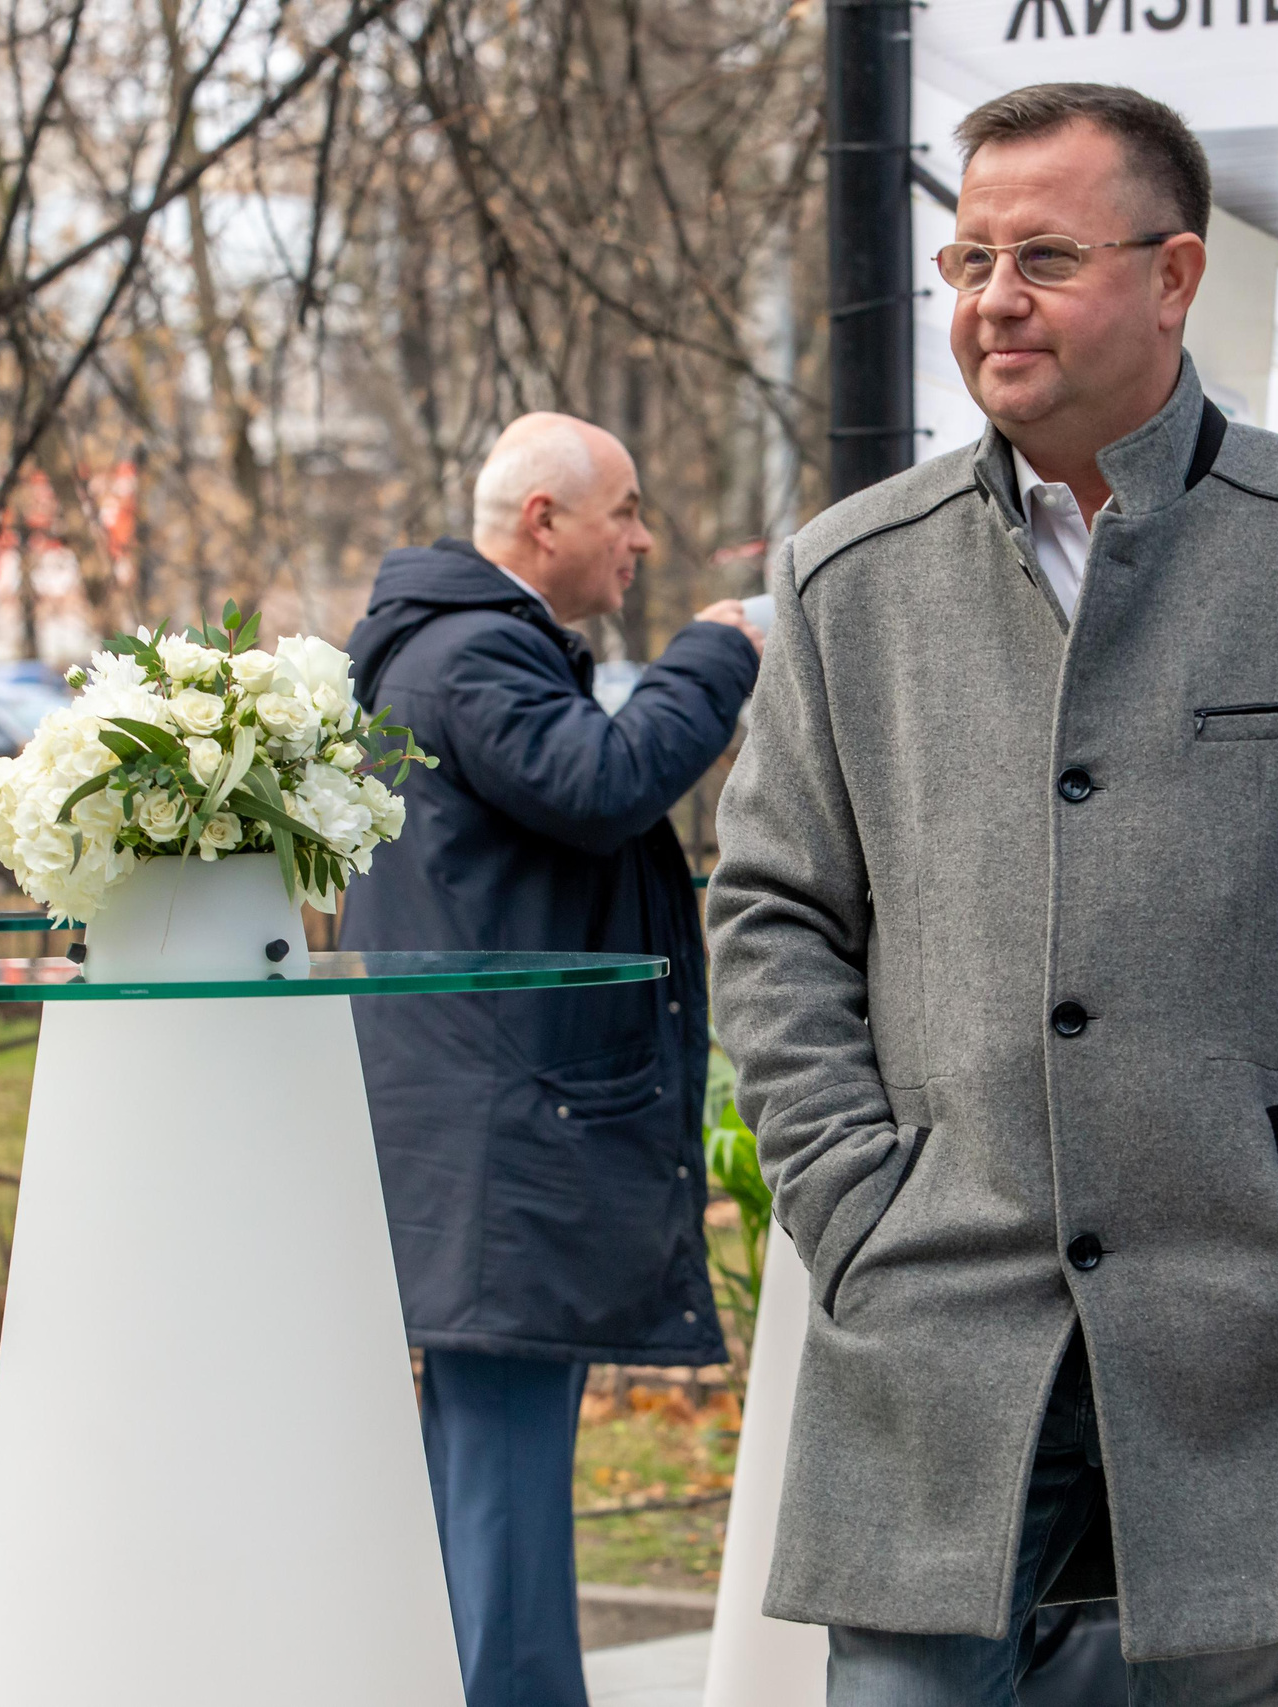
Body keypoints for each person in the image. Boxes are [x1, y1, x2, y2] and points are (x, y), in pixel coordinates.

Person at [707, 83, 1278, 1705]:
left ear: (1175, 277)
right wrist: (850, 1199)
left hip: (1253, 1332)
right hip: (934, 1327)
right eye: (965, 260)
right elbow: (772, 911)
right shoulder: (844, 576)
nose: (990, 300)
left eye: (1041, 254)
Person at [339, 412, 762, 1707]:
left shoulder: (456, 650)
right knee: (506, 1518)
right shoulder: (477, 657)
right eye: (623, 510)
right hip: (506, 1146)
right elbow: (607, 780)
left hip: (494, 1134)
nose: (640, 537)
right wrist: (719, 650)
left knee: (484, 1484)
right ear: (543, 522)